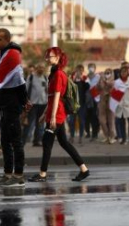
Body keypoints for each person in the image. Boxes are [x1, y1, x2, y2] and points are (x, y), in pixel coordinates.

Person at [28, 47, 90, 182]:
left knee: (47, 142)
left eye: (50, 56)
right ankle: (84, 169)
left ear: (57, 58)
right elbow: (51, 98)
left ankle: (42, 174)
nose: (47, 58)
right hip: (53, 111)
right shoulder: (54, 73)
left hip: (57, 113)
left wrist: (53, 116)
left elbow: (57, 96)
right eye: (47, 56)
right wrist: (45, 113)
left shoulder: (58, 75)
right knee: (64, 142)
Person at [0, 28, 31, 188]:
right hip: (5, 104)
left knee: (15, 141)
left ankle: (18, 175)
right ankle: (7, 174)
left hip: (12, 105)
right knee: (5, 141)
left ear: (7, 40)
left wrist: (25, 100)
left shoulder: (12, 55)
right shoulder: (3, 55)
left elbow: (19, 81)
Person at [23, 64, 48, 146]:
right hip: (33, 103)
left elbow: (47, 89)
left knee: (40, 123)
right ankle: (22, 141)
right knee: (29, 123)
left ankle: (36, 141)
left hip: (43, 103)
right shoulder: (31, 77)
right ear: (36, 69)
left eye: (42, 68)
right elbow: (26, 90)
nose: (41, 69)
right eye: (39, 67)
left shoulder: (45, 78)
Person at [68, 65, 89, 144]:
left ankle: (80, 136)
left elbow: (88, 87)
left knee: (81, 121)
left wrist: (83, 79)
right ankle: (72, 136)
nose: (78, 73)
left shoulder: (84, 80)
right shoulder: (71, 80)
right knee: (71, 121)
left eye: (80, 71)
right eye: (77, 71)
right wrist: (73, 79)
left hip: (82, 104)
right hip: (73, 104)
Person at [97, 68, 116, 143]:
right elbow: (99, 87)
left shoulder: (114, 81)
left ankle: (112, 137)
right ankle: (106, 135)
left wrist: (104, 80)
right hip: (102, 102)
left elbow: (110, 85)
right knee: (102, 120)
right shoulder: (101, 79)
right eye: (106, 73)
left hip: (111, 102)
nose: (107, 74)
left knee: (111, 121)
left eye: (109, 73)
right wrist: (101, 79)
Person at [85, 63, 101, 142]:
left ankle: (95, 134)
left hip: (96, 99)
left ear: (95, 68)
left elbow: (100, 87)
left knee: (95, 117)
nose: (91, 69)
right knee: (89, 117)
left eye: (92, 67)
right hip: (88, 100)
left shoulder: (98, 77)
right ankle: (88, 133)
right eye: (89, 67)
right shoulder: (86, 77)